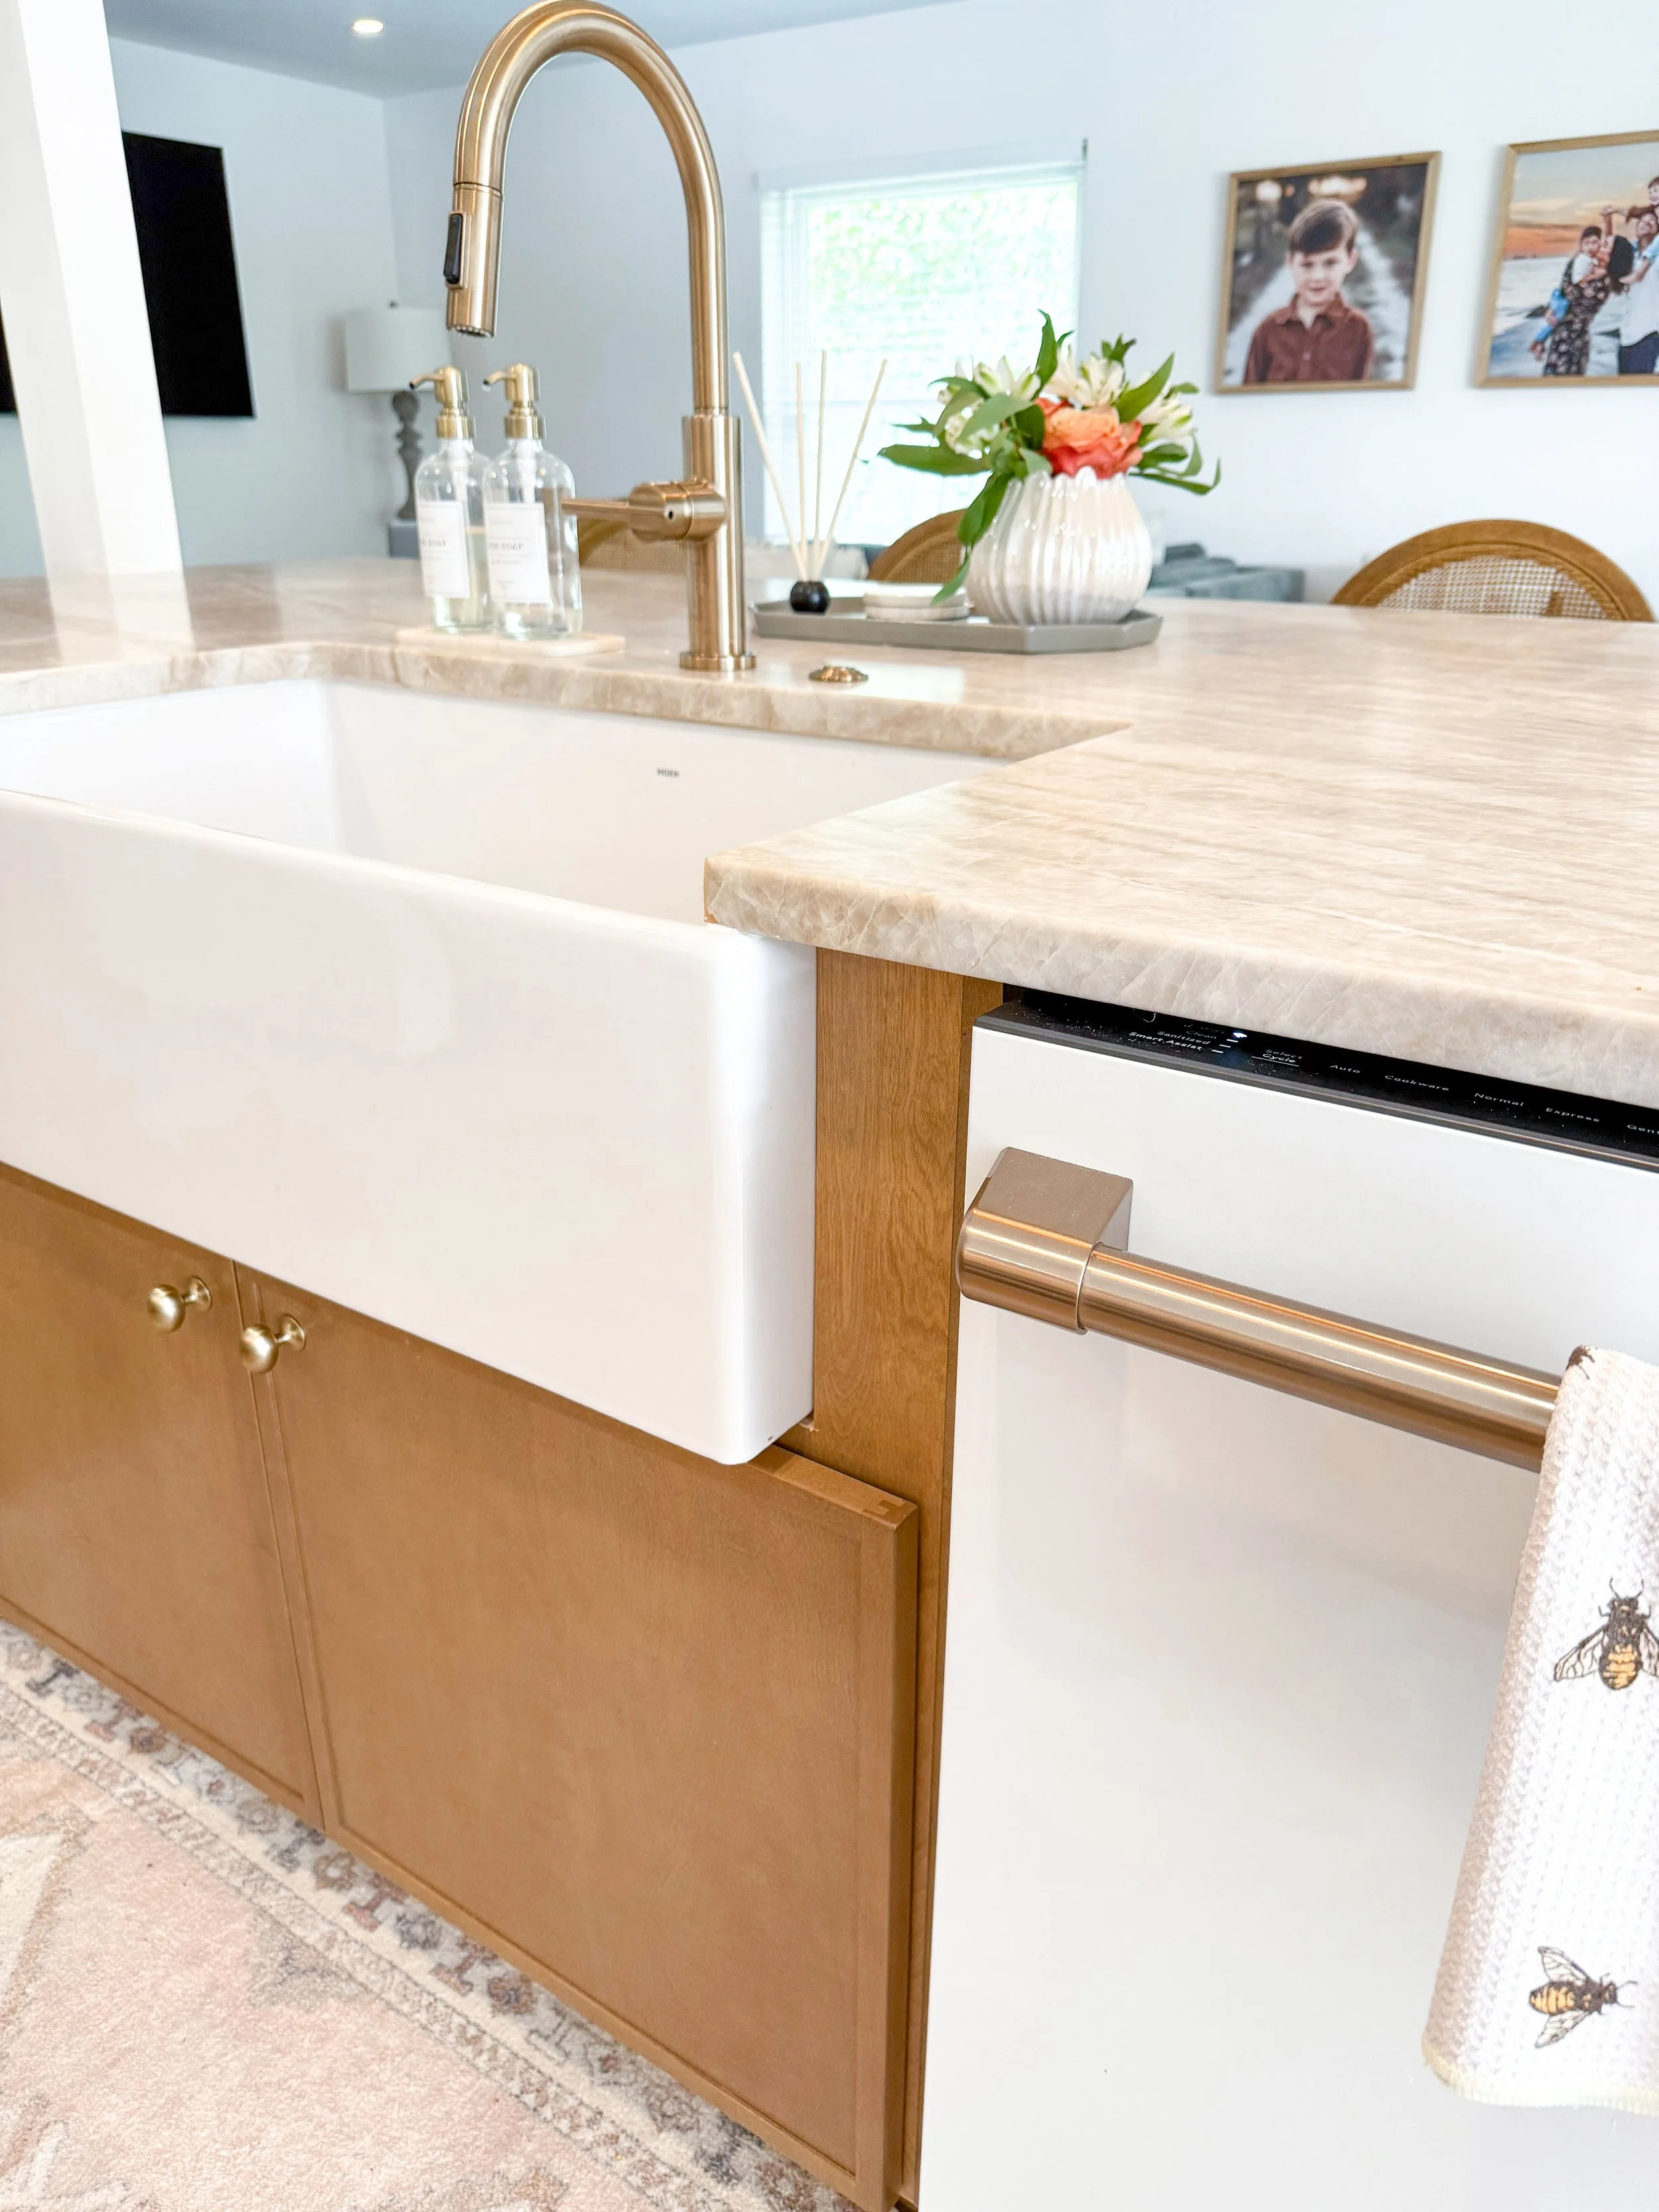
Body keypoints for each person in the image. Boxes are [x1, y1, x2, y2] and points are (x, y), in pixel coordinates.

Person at [1242, 198, 1375, 384]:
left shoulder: (1358, 329)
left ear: (1350, 261)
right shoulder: (1268, 331)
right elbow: (1248, 400)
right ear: (1290, 263)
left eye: (1330, 263)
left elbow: (1358, 400)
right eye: (1307, 265)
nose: (1317, 277)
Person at [1617, 194, 1659, 375]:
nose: (1647, 223)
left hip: (1650, 333)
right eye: (1642, 220)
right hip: (1626, 335)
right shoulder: (1629, 256)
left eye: (1653, 221)